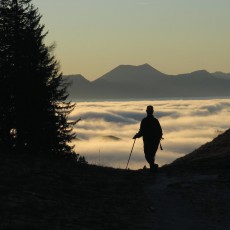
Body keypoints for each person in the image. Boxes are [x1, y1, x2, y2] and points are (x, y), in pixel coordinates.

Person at [133, 105, 163, 171]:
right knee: (151, 155)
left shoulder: (144, 121)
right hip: (155, 141)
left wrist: (136, 136)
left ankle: (153, 167)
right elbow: (160, 131)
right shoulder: (155, 121)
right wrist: (159, 137)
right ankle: (153, 167)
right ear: (153, 111)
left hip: (147, 141)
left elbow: (141, 132)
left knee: (148, 155)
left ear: (146, 111)